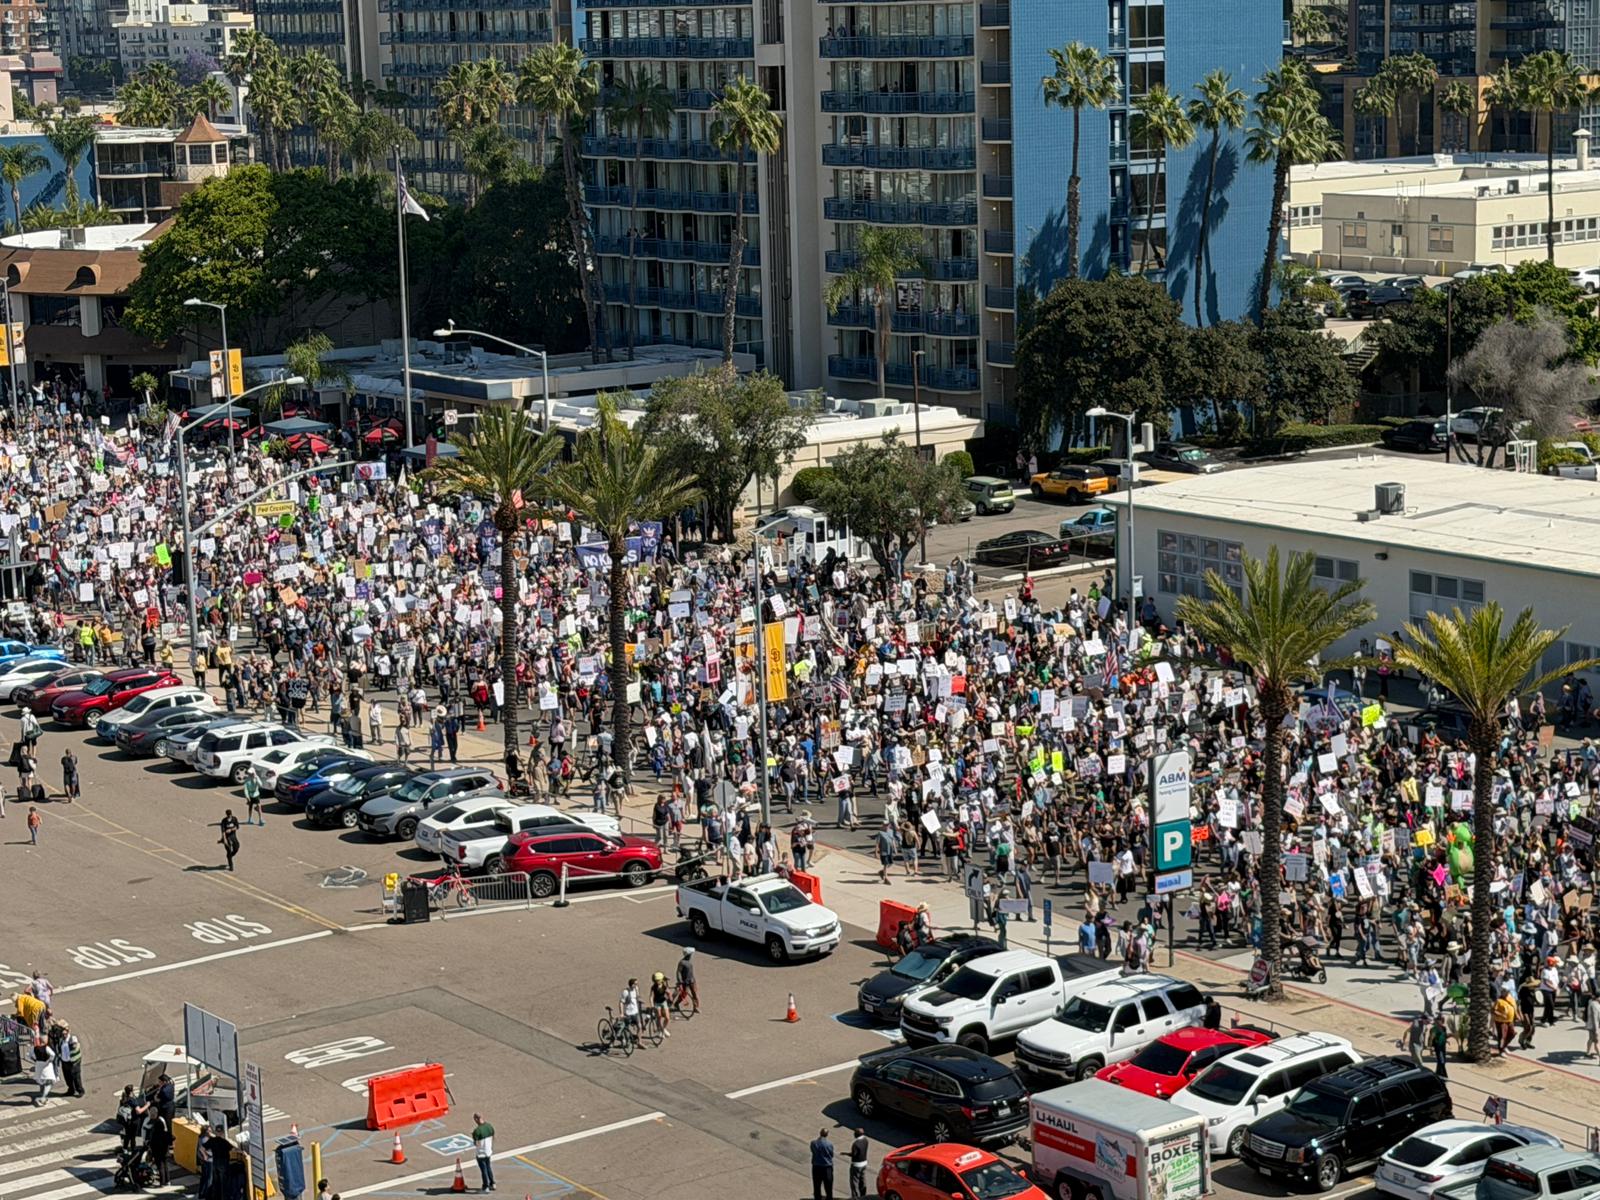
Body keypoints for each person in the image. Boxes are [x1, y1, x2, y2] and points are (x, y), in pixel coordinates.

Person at [57, 1021, 83, 1097]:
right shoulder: (61, 1040)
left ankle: (80, 1090)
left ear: (68, 1032)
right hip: (64, 1061)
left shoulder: (72, 1038)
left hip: (73, 1062)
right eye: (62, 1034)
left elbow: (75, 1045)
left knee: (76, 1077)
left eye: (65, 1034)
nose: (63, 1035)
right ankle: (71, 1090)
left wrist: (73, 1045)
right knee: (67, 1077)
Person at [471, 1113, 495, 1192]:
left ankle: (486, 1186)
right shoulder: (489, 1126)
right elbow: (493, 1136)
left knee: (483, 1170)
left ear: (477, 1119)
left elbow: (476, 1143)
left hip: (481, 1153)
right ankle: (492, 1183)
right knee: (488, 1167)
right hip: (488, 1151)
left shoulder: (477, 1131)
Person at [810, 1127, 835, 1200]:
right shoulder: (829, 1144)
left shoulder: (813, 1143)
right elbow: (831, 1154)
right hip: (827, 1167)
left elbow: (813, 1151)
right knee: (828, 1185)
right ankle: (829, 1198)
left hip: (816, 1166)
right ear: (827, 1135)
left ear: (820, 1133)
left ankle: (817, 1197)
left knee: (817, 1184)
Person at [31, 1036, 56, 1105]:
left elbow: (29, 1055)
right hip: (46, 1066)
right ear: (45, 1041)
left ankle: (43, 1096)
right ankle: (43, 1097)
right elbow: (53, 1054)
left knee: (41, 1082)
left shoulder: (34, 1048)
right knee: (49, 1082)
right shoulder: (46, 1048)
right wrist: (49, 1060)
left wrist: (35, 1060)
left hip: (38, 1065)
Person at [675, 947, 699, 1014]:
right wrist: (680, 981)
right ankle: (676, 1003)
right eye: (691, 954)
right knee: (684, 994)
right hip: (685, 982)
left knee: (695, 994)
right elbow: (678, 972)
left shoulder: (689, 961)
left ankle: (696, 1007)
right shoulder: (682, 962)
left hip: (692, 981)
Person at [848, 1128, 869, 1200]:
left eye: (854, 1133)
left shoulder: (856, 1144)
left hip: (856, 1165)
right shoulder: (866, 1140)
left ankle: (856, 1197)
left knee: (854, 1182)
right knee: (862, 1179)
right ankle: (863, 1195)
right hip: (864, 1163)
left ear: (857, 1134)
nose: (853, 1134)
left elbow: (854, 1154)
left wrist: (846, 1154)